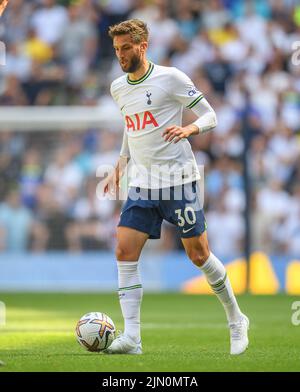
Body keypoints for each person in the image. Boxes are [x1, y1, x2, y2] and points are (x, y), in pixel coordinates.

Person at [102, 19, 249, 355]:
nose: (121, 56)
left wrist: (189, 130)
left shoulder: (171, 78)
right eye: (116, 50)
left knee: (199, 255)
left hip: (179, 180)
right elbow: (131, 127)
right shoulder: (118, 88)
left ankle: (236, 319)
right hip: (142, 183)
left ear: (143, 46)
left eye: (126, 48)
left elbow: (210, 115)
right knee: (124, 251)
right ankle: (133, 338)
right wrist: (120, 165)